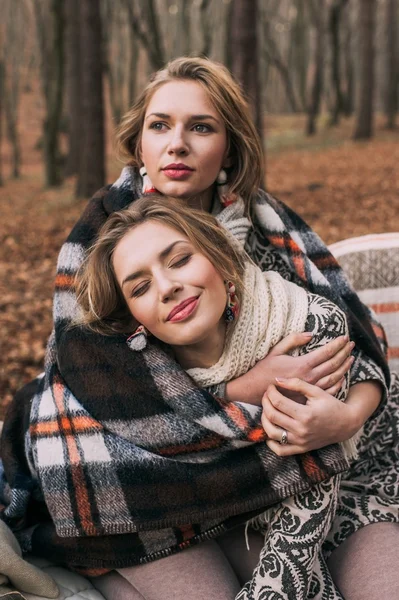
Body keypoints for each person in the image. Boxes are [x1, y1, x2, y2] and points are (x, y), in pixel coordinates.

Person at [0, 56, 397, 600]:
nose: (177, 144)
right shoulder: (104, 238)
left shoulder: (270, 229)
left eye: (201, 127)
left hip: (306, 465)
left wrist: (345, 417)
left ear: (230, 147)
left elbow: (359, 340)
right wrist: (242, 389)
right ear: (138, 143)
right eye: (159, 126)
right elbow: (93, 378)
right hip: (168, 481)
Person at [74, 194, 363, 599]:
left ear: (219, 258)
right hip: (208, 512)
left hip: (322, 498)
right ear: (132, 320)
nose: (168, 287)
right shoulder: (138, 375)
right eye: (140, 287)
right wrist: (231, 392)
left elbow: (311, 493)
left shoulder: (304, 327)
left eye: (179, 260)